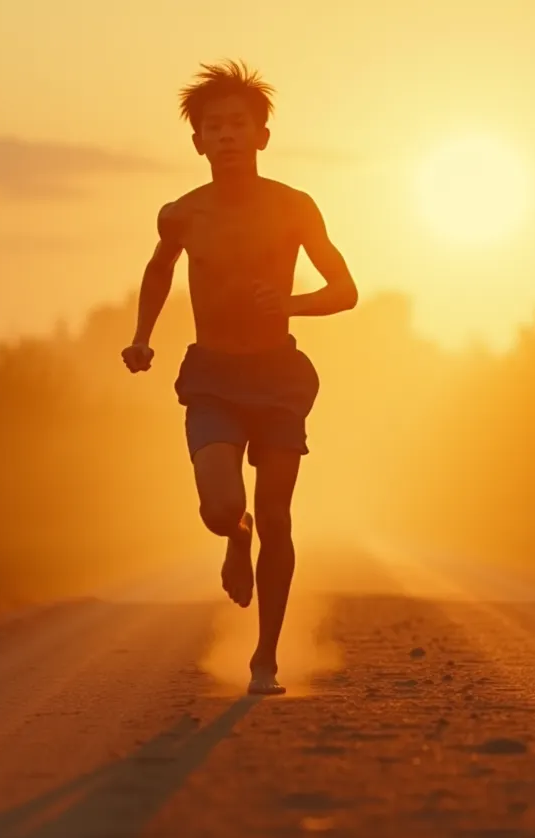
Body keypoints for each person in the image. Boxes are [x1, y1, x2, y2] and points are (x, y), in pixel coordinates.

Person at [121, 60, 359, 696]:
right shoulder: (181, 214)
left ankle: (265, 661)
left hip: (280, 377)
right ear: (196, 141)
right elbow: (158, 271)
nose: (225, 136)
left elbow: (345, 289)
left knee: (277, 513)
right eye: (212, 127)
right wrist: (142, 337)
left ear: (261, 136)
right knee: (222, 508)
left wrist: (290, 304)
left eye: (238, 124)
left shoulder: (294, 206)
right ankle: (236, 534)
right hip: (212, 376)